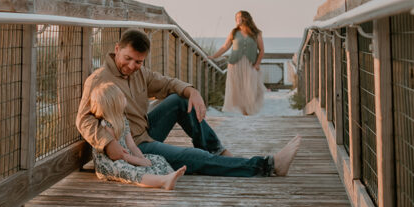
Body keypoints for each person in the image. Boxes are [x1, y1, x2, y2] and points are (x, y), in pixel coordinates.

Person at [76, 28, 301, 177]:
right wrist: (106, 142)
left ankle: (217, 151)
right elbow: (83, 119)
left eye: (138, 61)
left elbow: (167, 84)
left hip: (144, 131)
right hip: (132, 144)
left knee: (179, 99)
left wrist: (192, 91)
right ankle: (267, 166)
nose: (133, 65)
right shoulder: (98, 80)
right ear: (117, 50)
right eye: (128, 59)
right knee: (196, 159)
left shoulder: (139, 73)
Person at [87, 81, 187, 190]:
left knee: (157, 158)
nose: (125, 99)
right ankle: (162, 181)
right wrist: (138, 161)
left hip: (126, 156)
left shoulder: (123, 120)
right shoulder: (105, 125)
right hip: (111, 163)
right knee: (130, 171)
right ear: (114, 103)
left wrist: (142, 158)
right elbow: (118, 156)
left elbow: (132, 145)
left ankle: (168, 175)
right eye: (122, 97)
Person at [210, 10, 268, 116]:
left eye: (239, 17)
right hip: (235, 64)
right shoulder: (234, 32)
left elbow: (262, 50)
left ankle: (249, 110)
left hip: (250, 64)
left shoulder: (256, 33)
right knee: (238, 88)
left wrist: (257, 64)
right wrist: (213, 56)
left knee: (251, 88)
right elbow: (225, 47)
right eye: (236, 17)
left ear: (246, 18)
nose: (237, 19)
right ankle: (244, 112)